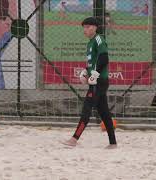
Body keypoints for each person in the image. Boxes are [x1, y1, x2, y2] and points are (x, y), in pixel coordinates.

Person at [62, 17, 117, 149]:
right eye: (84, 27)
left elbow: (104, 58)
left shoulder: (99, 39)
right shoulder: (89, 43)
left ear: (95, 27)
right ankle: (113, 143)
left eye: (88, 27)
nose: (85, 30)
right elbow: (93, 63)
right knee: (104, 112)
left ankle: (74, 139)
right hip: (95, 80)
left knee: (87, 108)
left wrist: (96, 74)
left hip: (99, 81)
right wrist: (85, 72)